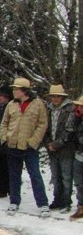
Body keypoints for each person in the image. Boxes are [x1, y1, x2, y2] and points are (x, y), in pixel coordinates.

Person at [0, 77, 49, 217]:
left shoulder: (37, 104)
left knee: (35, 175)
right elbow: (4, 123)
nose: (14, 91)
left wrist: (34, 141)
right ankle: (14, 201)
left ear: (24, 91)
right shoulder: (11, 105)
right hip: (12, 145)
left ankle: (42, 203)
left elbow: (42, 124)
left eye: (16, 89)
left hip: (29, 147)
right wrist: (5, 137)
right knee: (14, 176)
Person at [44, 84, 76, 213]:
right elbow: (45, 128)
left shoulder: (70, 110)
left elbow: (69, 130)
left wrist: (56, 144)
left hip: (66, 148)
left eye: (58, 96)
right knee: (55, 176)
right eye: (53, 96)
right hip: (52, 147)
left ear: (62, 97)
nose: (55, 99)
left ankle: (66, 201)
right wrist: (48, 144)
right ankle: (57, 199)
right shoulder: (48, 110)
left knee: (66, 176)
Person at [70, 93, 83, 221]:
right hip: (79, 155)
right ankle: (81, 206)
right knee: (79, 183)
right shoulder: (76, 119)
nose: (79, 109)